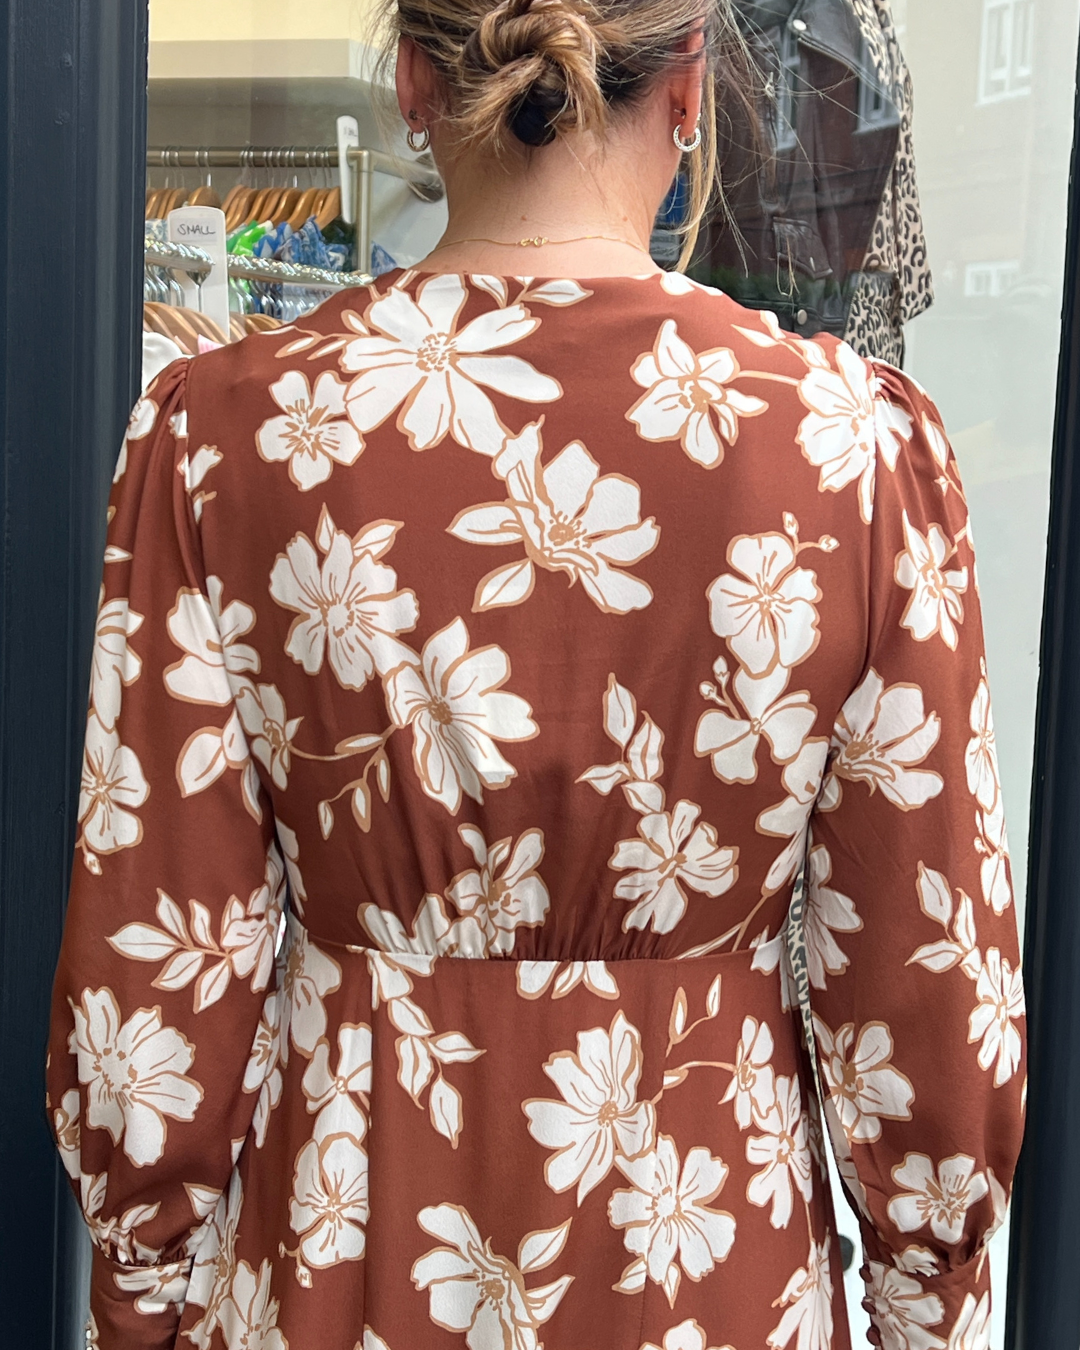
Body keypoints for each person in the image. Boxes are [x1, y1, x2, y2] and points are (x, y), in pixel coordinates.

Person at [48, 0, 1025, 1345]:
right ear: (693, 92)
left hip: (340, 1255)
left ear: (409, 81)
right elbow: (926, 982)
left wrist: (143, 1292)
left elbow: (154, 971)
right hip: (708, 1264)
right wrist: (927, 1299)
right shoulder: (850, 457)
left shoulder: (229, 439)